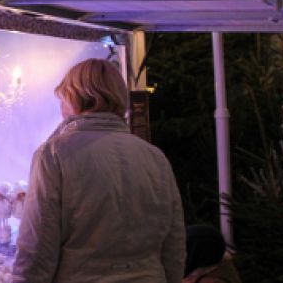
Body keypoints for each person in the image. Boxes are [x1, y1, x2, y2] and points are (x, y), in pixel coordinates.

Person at [12, 58, 185, 283]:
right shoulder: (154, 157)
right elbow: (174, 244)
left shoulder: (53, 154)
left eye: (63, 97)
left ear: (74, 97)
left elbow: (38, 245)